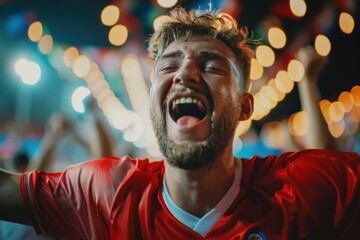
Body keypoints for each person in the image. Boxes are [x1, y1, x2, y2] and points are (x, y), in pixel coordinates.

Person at [0, 6, 359, 240]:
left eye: (211, 66)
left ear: (245, 107)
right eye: (168, 66)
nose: (184, 74)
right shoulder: (108, 194)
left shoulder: (293, 189)